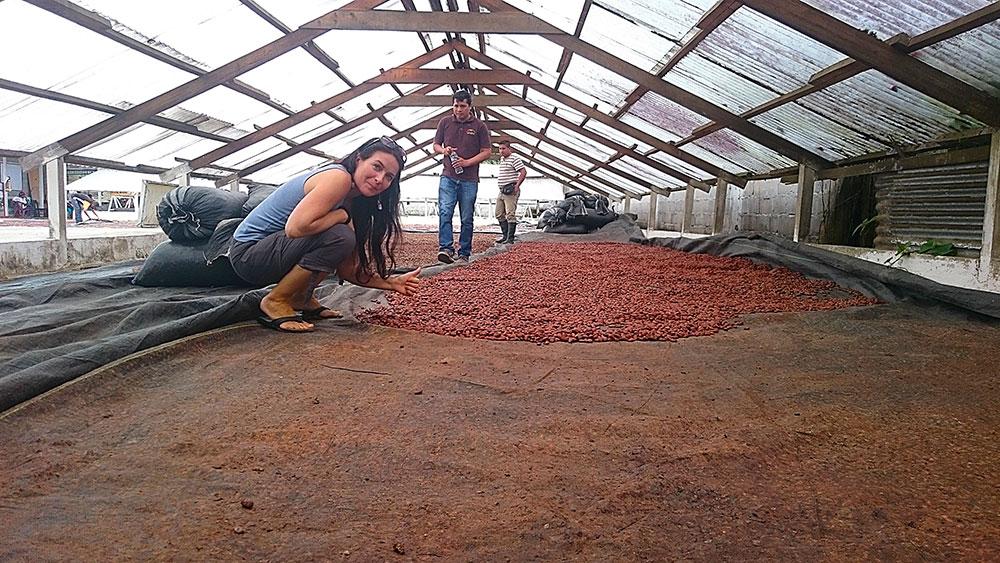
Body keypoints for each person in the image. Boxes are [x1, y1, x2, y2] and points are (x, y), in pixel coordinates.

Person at [229, 136, 421, 333]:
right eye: (376, 167)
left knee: (343, 238)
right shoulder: (338, 178)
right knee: (340, 236)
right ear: (358, 160)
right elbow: (295, 228)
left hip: (270, 251)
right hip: (248, 254)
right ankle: (276, 300)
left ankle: (301, 297)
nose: (380, 179)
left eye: (389, 176)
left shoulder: (354, 201)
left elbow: (347, 269)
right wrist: (341, 216)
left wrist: (391, 282)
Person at [433, 89, 491, 263]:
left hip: (469, 179)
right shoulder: (445, 122)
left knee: (466, 216)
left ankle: (464, 251)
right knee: (445, 211)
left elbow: (487, 152)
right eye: (456, 106)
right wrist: (444, 150)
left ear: (470, 107)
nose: (458, 110)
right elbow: (435, 144)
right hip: (448, 176)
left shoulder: (479, 126)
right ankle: (446, 248)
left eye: (462, 106)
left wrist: (467, 162)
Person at [494, 140, 527, 244]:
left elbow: (523, 171)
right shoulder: (502, 159)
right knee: (499, 213)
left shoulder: (514, 158)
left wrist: (517, 185)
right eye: (500, 149)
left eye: (503, 148)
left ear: (509, 149)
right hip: (502, 190)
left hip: (511, 190)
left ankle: (510, 238)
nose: (501, 151)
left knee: (510, 213)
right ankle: (505, 235)